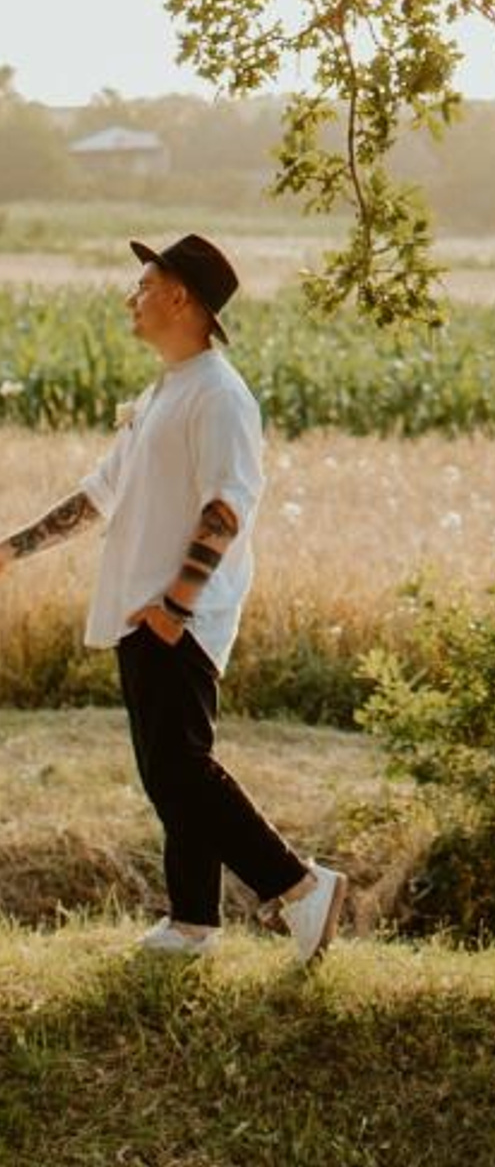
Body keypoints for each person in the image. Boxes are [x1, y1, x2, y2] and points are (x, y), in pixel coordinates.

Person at [0, 233, 345, 961]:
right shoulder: (168, 388)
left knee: (179, 767)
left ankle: (300, 887)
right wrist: (13, 549)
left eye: (144, 284)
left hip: (174, 616)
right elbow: (98, 495)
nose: (132, 297)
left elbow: (229, 506)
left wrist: (176, 606)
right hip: (142, 610)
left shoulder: (218, 395)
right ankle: (194, 921)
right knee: (170, 770)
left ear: (181, 296)